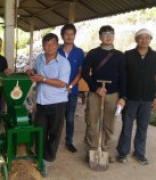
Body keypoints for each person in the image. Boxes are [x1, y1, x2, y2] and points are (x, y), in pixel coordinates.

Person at [26, 33, 70, 176]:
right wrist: (31, 71)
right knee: (40, 131)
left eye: (52, 44)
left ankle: (48, 159)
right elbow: (36, 73)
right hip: (41, 102)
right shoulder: (39, 59)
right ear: (43, 46)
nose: (49, 47)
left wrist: (43, 79)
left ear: (57, 45)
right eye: (46, 44)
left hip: (57, 104)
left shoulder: (63, 62)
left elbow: (62, 83)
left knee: (54, 133)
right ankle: (39, 157)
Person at [82, 25, 126, 162]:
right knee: (92, 122)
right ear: (100, 37)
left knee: (109, 124)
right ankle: (91, 150)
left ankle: (105, 150)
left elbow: (124, 77)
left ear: (114, 36)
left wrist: (123, 97)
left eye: (111, 34)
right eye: (105, 34)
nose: (108, 37)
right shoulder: (93, 53)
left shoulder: (120, 55)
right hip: (95, 94)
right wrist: (96, 88)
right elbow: (84, 72)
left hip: (113, 95)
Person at [116, 29, 156, 165]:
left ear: (150, 39)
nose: (144, 40)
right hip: (130, 97)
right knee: (126, 126)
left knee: (143, 127)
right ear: (136, 40)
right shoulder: (128, 55)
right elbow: (123, 76)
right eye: (141, 38)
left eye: (147, 38)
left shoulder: (155, 56)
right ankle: (122, 152)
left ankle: (139, 153)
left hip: (147, 98)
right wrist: (122, 96)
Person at [58, 23, 84, 153]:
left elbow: (80, 72)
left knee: (69, 117)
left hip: (72, 91)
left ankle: (69, 141)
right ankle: (54, 140)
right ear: (62, 36)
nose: (69, 36)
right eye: (66, 34)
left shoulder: (79, 52)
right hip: (56, 91)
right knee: (56, 117)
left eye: (71, 34)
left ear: (74, 36)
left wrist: (71, 86)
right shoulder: (57, 51)